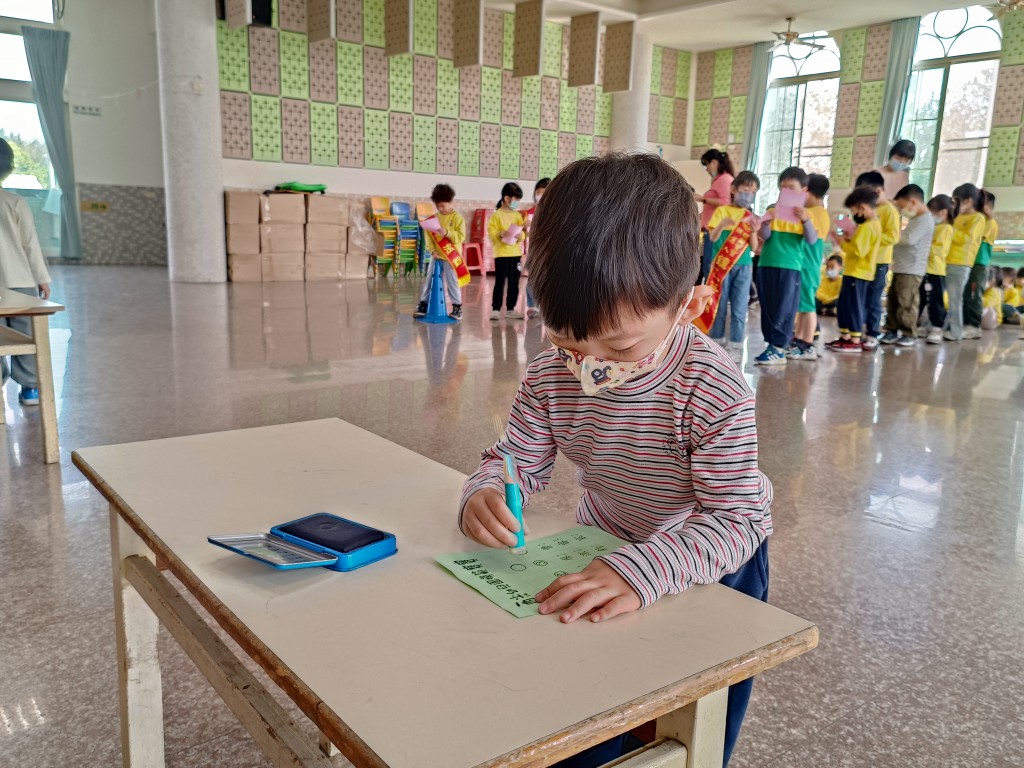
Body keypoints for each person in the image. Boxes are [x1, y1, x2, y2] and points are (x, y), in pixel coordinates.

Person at [459, 153, 771, 768]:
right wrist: (488, 489)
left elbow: (737, 519)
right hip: (605, 542)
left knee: (687, 713)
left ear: (688, 304)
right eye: (566, 341)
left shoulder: (712, 386)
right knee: (600, 701)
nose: (590, 367)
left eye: (621, 345)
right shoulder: (551, 373)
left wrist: (643, 570)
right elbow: (516, 457)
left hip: (712, 560)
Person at [0, 138, 51, 407]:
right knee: (26, 334)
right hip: (20, 281)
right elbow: (30, 244)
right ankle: (30, 388)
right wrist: (42, 278)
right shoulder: (15, 202)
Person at [753, 167, 819, 366]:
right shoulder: (773, 210)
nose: (786, 192)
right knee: (768, 306)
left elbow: (812, 239)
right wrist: (765, 224)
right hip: (766, 264)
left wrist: (805, 220)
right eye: (783, 188)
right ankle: (771, 345)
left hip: (790, 267)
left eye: (791, 188)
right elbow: (764, 236)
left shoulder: (806, 215)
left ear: (803, 190)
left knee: (784, 307)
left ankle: (779, 347)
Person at [706, 170, 761, 357]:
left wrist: (754, 232)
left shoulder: (749, 216)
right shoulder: (721, 211)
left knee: (739, 307)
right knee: (719, 304)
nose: (748, 196)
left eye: (752, 192)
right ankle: (716, 341)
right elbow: (712, 238)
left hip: (744, 265)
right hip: (721, 266)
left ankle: (736, 345)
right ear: (733, 189)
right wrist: (722, 224)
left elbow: (754, 247)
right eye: (745, 190)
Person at [826, 186, 881, 353]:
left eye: (853, 211)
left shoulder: (868, 226)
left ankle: (855, 339)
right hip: (854, 272)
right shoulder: (870, 225)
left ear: (862, 208)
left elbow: (858, 251)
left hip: (859, 273)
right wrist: (849, 239)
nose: (854, 215)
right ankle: (845, 337)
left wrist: (841, 242)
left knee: (854, 306)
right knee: (845, 305)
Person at [882, 184, 934, 347]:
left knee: (907, 302)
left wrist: (892, 234)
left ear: (913, 202)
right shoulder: (915, 219)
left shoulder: (925, 219)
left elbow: (909, 239)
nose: (902, 211)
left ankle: (908, 332)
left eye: (902, 207)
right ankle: (891, 329)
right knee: (893, 300)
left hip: (912, 269)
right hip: (901, 267)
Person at [854, 171, 900, 350]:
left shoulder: (889, 210)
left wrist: (872, 238)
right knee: (861, 298)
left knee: (873, 299)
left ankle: (873, 333)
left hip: (879, 262)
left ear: (878, 191)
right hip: (863, 262)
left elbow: (893, 237)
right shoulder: (867, 209)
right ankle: (858, 331)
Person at [789, 174, 832, 361]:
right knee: (802, 306)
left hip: (808, 265)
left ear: (808, 192)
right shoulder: (819, 211)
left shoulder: (815, 212)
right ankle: (798, 340)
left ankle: (807, 345)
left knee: (808, 307)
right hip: (806, 264)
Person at [415, 184, 466, 321]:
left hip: (451, 257)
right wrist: (432, 251)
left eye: (442, 205)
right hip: (436, 256)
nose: (440, 208)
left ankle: (457, 308)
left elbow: (461, 237)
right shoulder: (434, 218)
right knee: (429, 280)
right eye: (437, 206)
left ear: (450, 201)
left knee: (452, 282)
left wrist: (447, 232)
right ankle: (423, 305)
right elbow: (428, 237)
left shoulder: (458, 218)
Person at [943, 183, 986, 342]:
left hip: (961, 263)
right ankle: (944, 326)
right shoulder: (958, 217)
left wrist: (950, 229)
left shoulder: (978, 218)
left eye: (956, 202)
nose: (954, 206)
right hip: (947, 260)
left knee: (955, 299)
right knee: (945, 297)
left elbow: (967, 239)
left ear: (968, 201)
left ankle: (956, 332)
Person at [695, 148, 736, 281]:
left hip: (716, 230)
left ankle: (712, 293)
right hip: (710, 228)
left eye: (706, 165)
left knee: (710, 268)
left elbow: (726, 202)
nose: (707, 169)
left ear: (714, 162)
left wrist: (702, 199)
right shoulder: (719, 179)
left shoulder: (724, 179)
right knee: (707, 266)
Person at [487, 182, 527, 321]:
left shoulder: (517, 215)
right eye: (516, 199)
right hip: (502, 255)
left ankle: (511, 309)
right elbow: (491, 233)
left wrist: (520, 235)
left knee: (514, 283)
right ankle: (496, 309)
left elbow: (522, 235)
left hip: (515, 255)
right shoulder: (497, 215)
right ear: (506, 198)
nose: (517, 203)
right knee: (500, 282)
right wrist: (500, 234)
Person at [962, 190, 998, 340]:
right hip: (967, 263)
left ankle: (974, 326)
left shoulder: (989, 222)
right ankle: (965, 323)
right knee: (965, 295)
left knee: (973, 294)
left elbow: (973, 237)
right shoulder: (977, 219)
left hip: (979, 265)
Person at [918, 195, 954, 344]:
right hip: (924, 269)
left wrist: (922, 247)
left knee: (935, 300)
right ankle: (921, 325)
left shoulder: (946, 228)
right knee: (920, 298)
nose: (930, 216)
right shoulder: (933, 227)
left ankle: (937, 327)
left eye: (932, 212)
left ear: (943, 212)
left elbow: (939, 250)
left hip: (936, 271)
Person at [523, 178, 550, 318]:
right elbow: (525, 233)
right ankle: (533, 305)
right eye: (538, 192)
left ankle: (548, 306)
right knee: (532, 278)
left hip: (550, 250)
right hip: (534, 250)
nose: (540, 195)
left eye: (543, 193)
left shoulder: (554, 212)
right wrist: (525, 228)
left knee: (549, 279)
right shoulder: (530, 212)